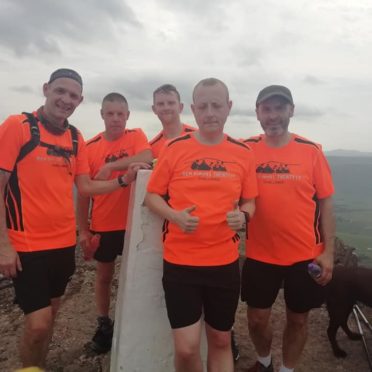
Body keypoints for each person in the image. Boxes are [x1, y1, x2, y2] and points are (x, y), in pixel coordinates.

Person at [0, 69, 149, 369]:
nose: (65, 100)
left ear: (79, 101)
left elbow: (86, 187)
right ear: (46, 89)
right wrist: (3, 244)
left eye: (72, 95)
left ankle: (36, 366)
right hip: (26, 244)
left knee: (50, 317)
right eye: (60, 91)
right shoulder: (18, 126)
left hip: (63, 244)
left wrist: (122, 181)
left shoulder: (74, 137)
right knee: (39, 324)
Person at [145, 78, 258, 372]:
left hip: (224, 263)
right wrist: (175, 216)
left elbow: (250, 202)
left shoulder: (243, 152)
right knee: (186, 348)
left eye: (216, 105)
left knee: (221, 340)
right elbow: (152, 196)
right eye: (203, 106)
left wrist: (243, 216)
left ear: (228, 108)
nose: (210, 112)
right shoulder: (174, 148)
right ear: (193, 110)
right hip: (180, 262)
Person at [241, 85, 335, 372]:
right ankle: (265, 361)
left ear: (291, 111)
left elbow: (326, 203)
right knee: (256, 318)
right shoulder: (245, 149)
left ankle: (287, 369)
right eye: (266, 109)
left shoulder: (311, 152)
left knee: (298, 318)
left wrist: (329, 252)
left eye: (280, 108)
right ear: (257, 113)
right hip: (260, 253)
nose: (273, 116)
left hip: (305, 255)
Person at [76, 92, 152, 353]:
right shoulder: (89, 147)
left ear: (128, 116)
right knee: (104, 276)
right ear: (102, 115)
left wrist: (111, 167)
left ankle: (137, 322)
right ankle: (104, 323)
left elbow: (147, 154)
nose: (116, 119)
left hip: (134, 223)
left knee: (139, 276)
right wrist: (83, 229)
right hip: (104, 223)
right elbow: (83, 193)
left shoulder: (136, 136)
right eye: (110, 113)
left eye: (121, 114)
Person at [149, 84, 195, 158]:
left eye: (171, 103)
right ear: (154, 109)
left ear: (180, 107)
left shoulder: (199, 137)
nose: (166, 107)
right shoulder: (151, 148)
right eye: (161, 104)